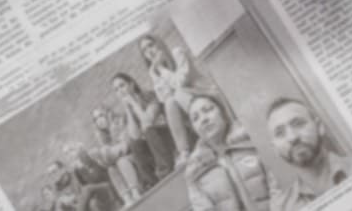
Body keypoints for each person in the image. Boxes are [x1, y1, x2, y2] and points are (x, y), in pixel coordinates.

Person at [265, 98, 352, 211]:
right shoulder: (283, 208)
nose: (292, 137)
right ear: (275, 149)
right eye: (280, 133)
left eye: (298, 124)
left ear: (319, 127)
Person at [185, 93, 277, 211]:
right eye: (195, 118)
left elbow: (277, 184)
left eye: (208, 110)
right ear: (194, 129)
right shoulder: (196, 170)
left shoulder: (250, 141)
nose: (204, 119)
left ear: (223, 113)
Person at [138, 34, 217, 164]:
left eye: (150, 45)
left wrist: (161, 69)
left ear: (159, 44)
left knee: (178, 94)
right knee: (170, 102)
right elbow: (164, 98)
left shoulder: (177, 53)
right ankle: (184, 152)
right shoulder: (155, 71)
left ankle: (207, 140)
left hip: (203, 94)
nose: (149, 52)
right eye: (145, 51)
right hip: (186, 106)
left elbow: (180, 82)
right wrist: (155, 74)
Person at [111, 73, 177, 180]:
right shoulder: (126, 113)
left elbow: (148, 121)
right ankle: (151, 180)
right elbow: (135, 136)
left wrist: (133, 102)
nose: (120, 91)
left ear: (131, 85)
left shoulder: (148, 96)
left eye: (122, 85)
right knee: (134, 143)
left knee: (148, 130)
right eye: (116, 89)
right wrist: (128, 109)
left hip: (165, 137)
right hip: (152, 148)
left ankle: (166, 170)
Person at [89, 106, 145, 203]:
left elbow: (125, 147)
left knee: (121, 161)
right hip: (122, 163)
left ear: (108, 114)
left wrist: (106, 153)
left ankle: (135, 191)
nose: (99, 120)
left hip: (137, 155)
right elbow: (107, 163)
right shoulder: (102, 136)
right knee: (111, 168)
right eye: (96, 119)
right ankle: (127, 197)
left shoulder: (119, 121)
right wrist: (99, 158)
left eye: (101, 115)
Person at [62, 143, 122, 211]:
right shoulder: (76, 170)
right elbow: (83, 188)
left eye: (71, 150)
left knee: (87, 189)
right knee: (92, 203)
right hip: (98, 196)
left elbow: (98, 177)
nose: (69, 155)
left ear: (79, 149)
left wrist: (83, 168)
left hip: (108, 188)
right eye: (66, 154)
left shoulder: (92, 156)